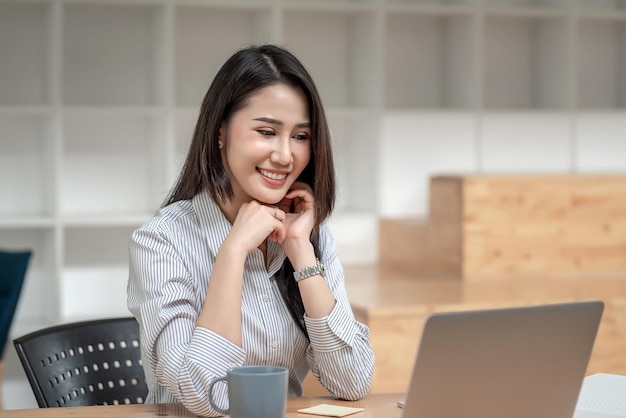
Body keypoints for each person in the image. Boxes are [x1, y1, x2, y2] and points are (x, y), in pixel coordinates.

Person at [127, 44, 375, 417]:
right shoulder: (162, 242)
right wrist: (233, 252)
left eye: (300, 136)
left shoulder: (309, 235)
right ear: (220, 133)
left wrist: (300, 250)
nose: (285, 155)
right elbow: (207, 398)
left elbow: (352, 381)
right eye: (266, 131)